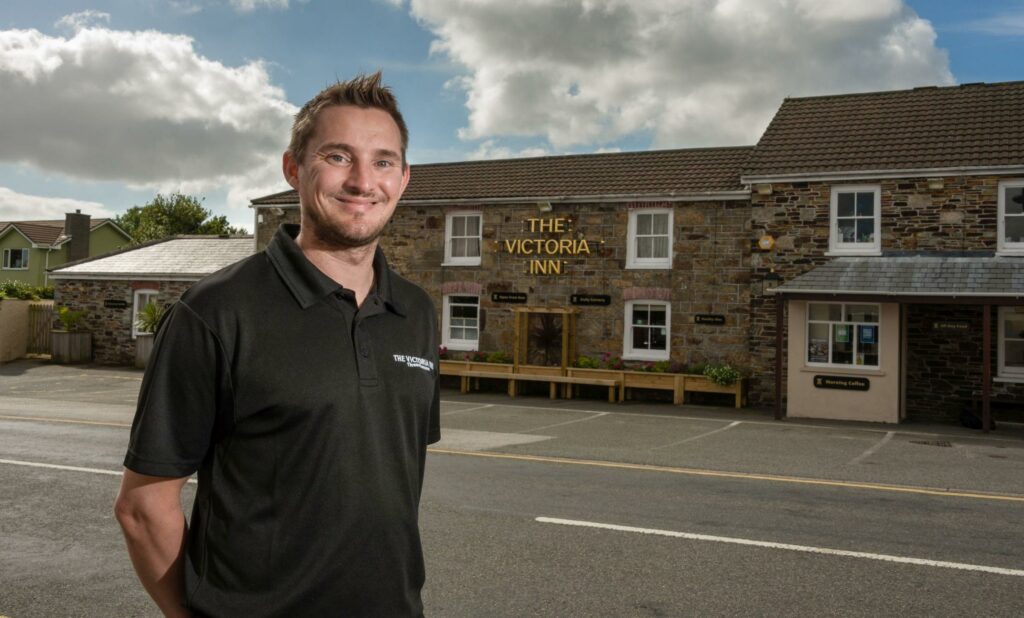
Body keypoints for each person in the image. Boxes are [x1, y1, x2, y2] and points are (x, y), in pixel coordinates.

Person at [114, 72, 441, 617]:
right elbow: (143, 506)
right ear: (294, 168)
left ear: (404, 178)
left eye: (383, 161)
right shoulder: (216, 310)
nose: (363, 181)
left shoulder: (417, 312)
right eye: (339, 157)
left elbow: (388, 479)